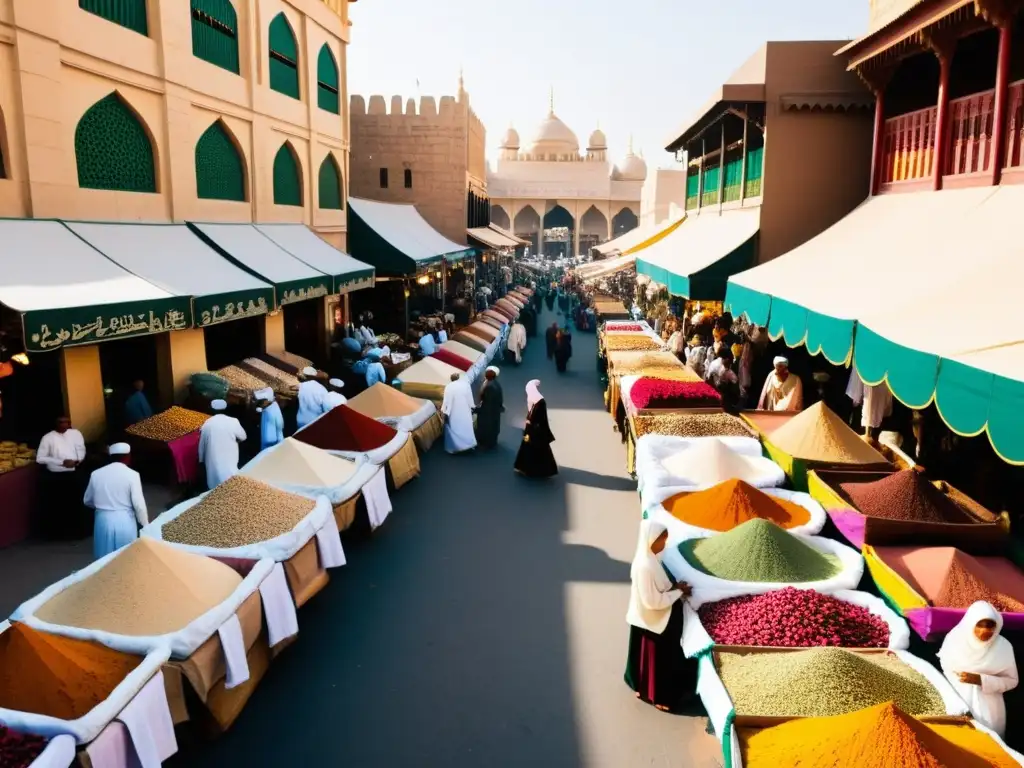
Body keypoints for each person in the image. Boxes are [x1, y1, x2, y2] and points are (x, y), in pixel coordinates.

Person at [625, 520, 695, 712]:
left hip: (645, 618)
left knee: (644, 660)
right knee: (659, 662)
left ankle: (641, 688)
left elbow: (658, 588)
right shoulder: (645, 567)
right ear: (651, 540)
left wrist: (674, 588)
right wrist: (678, 593)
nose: (663, 544)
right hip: (652, 620)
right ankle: (659, 696)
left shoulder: (651, 559)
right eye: (661, 541)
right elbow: (652, 602)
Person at [938, 601, 1018, 736]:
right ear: (970, 623)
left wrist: (982, 680)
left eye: (990, 625)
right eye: (980, 624)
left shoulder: (1003, 647)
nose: (985, 630)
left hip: (990, 713)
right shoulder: (953, 641)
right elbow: (945, 671)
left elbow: (1012, 680)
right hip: (955, 707)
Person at [83, 443, 147, 560]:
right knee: (125, 559)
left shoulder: (96, 474)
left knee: (103, 561)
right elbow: (139, 505)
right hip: (125, 520)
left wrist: (102, 507)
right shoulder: (133, 475)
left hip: (103, 520)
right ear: (127, 457)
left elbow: (87, 500)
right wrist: (145, 524)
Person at [36, 415, 88, 539]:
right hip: (56, 477)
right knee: (60, 507)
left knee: (75, 505)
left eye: (66, 422)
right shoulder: (48, 438)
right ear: (56, 424)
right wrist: (61, 462)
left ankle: (78, 533)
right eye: (61, 422)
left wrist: (77, 461)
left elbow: (81, 449)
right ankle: (59, 535)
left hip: (74, 474)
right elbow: (40, 458)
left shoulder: (76, 434)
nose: (64, 425)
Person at [198, 399, 246, 490]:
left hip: (213, 461)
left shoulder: (207, 424)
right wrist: (235, 442)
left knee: (214, 487)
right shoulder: (233, 421)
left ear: (211, 409)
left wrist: (201, 460)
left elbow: (202, 446)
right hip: (229, 458)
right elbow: (243, 437)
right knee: (231, 483)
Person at [514, 380, 557, 478]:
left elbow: (538, 417)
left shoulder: (539, 402)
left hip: (534, 431)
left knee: (530, 447)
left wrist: (529, 421)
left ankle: (528, 469)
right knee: (536, 449)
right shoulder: (537, 400)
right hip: (535, 431)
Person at [441, 373, 477, 454]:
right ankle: (469, 444)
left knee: (456, 427)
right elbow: (469, 397)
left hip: (454, 411)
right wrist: (472, 406)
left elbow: (446, 400)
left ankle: (457, 446)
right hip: (465, 409)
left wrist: (444, 410)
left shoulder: (449, 386)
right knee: (466, 426)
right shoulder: (465, 385)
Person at [474, 366, 504, 449]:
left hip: (488, 412)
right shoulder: (495, 383)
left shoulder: (489, 386)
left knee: (486, 427)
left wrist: (478, 408)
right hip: (494, 411)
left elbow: (486, 400)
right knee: (493, 426)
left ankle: (485, 444)